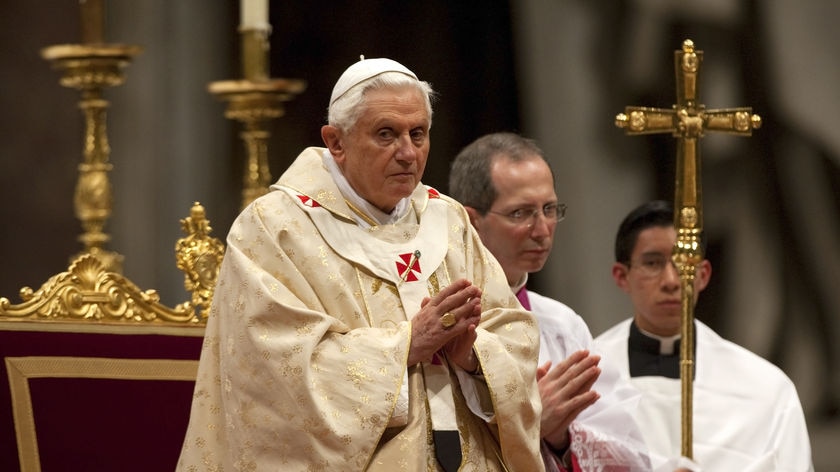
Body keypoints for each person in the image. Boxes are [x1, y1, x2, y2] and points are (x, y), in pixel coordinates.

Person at [176, 58, 545, 471]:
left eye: (418, 134)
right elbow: (273, 376)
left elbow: (514, 334)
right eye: (386, 134)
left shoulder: (450, 220)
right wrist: (406, 345)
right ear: (336, 142)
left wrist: (474, 356)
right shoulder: (275, 229)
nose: (407, 153)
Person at [448, 132, 652, 471]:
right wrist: (526, 426)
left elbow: (633, 456)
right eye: (521, 213)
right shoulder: (443, 321)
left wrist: (562, 438)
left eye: (549, 209)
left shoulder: (561, 325)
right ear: (471, 221)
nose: (542, 229)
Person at [594, 199, 814, 471]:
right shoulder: (587, 374)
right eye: (652, 263)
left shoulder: (767, 389)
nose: (671, 281)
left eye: (684, 264)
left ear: (703, 275)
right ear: (621, 276)